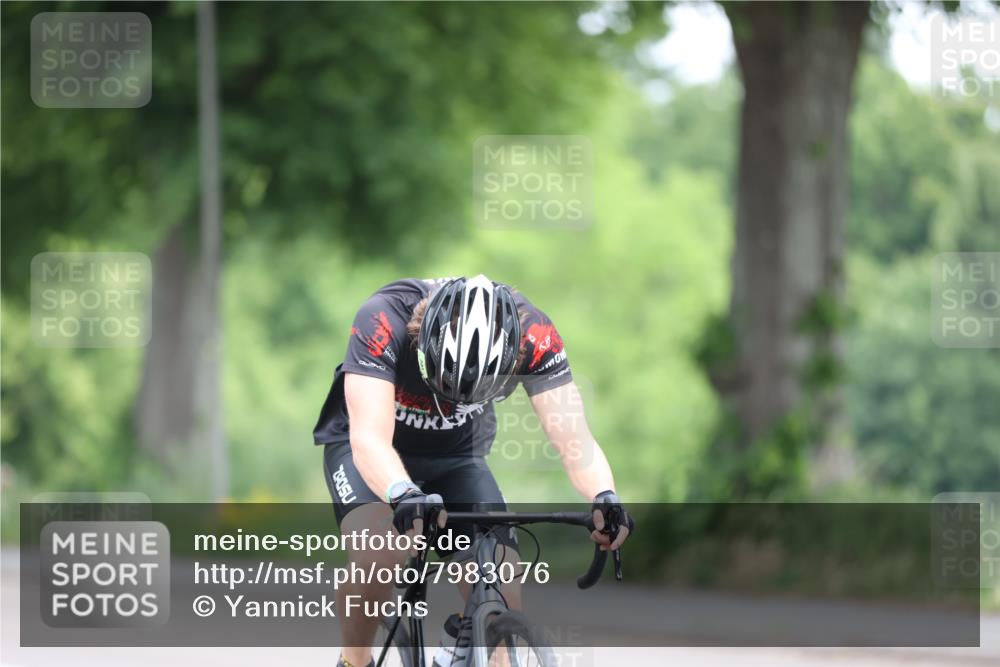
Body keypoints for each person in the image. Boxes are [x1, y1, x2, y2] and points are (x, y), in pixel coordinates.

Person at [313, 275, 633, 667]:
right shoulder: (382, 319)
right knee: (378, 556)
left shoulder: (535, 336)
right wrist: (402, 493)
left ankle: (465, 646)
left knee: (502, 584)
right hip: (367, 448)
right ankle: (354, 659)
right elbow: (369, 439)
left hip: (456, 458)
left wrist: (605, 496)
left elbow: (575, 441)